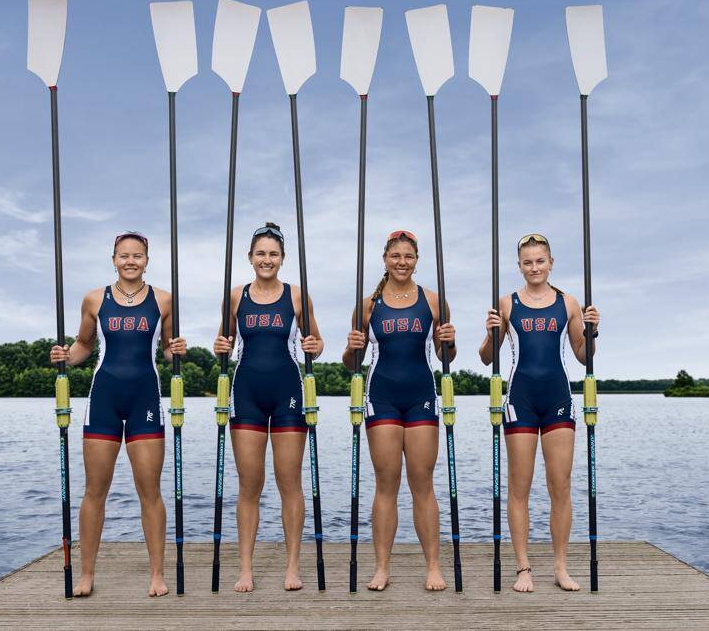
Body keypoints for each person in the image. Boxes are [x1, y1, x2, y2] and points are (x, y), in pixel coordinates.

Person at [49, 231, 185, 597]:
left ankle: (157, 574)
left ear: (146, 260)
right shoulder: (95, 299)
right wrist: (65, 357)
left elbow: (168, 354)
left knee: (150, 491)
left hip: (145, 400)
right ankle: (87, 574)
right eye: (123, 255)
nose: (130, 261)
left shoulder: (164, 300)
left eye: (137, 256)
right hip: (104, 400)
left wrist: (179, 350)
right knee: (95, 491)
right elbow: (84, 346)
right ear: (113, 259)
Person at [478, 233, 600, 593]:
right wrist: (490, 334)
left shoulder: (568, 303)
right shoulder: (507, 303)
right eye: (527, 262)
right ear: (519, 266)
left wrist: (592, 331)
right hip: (520, 400)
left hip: (558, 398)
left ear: (550, 263)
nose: (534, 267)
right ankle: (523, 569)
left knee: (560, 485)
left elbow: (583, 355)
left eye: (540, 261)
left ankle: (561, 567)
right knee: (520, 487)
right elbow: (487, 358)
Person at [212, 222, 324, 592]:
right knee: (249, 485)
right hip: (246, 394)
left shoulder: (296, 296)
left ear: (282, 259)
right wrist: (219, 349)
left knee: (289, 483)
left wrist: (315, 348)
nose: (266, 259)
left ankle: (292, 566)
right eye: (260, 253)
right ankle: (246, 568)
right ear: (249, 257)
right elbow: (224, 341)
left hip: (288, 391)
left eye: (273, 254)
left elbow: (317, 341)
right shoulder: (235, 296)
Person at [343, 230, 456, 592]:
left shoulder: (434, 301)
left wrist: (449, 343)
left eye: (408, 256)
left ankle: (434, 567)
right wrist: (351, 348)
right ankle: (382, 568)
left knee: (422, 483)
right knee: (386, 484)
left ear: (417, 260)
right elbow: (350, 363)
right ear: (385, 259)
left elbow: (446, 358)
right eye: (396, 256)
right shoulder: (367, 306)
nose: (402, 262)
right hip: (382, 397)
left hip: (421, 395)